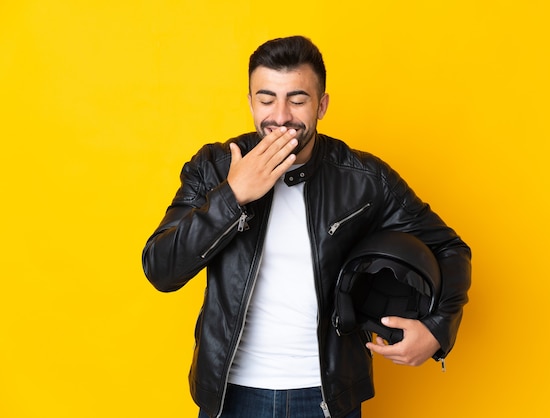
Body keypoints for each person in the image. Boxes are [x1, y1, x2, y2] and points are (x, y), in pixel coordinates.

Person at [142, 35, 471, 418]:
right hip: (231, 396)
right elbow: (160, 269)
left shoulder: (364, 178)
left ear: (322, 105)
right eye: (266, 99)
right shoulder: (213, 167)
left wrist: (437, 328)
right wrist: (233, 195)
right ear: (250, 102)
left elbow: (450, 248)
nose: (280, 116)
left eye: (297, 100)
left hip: (327, 395)